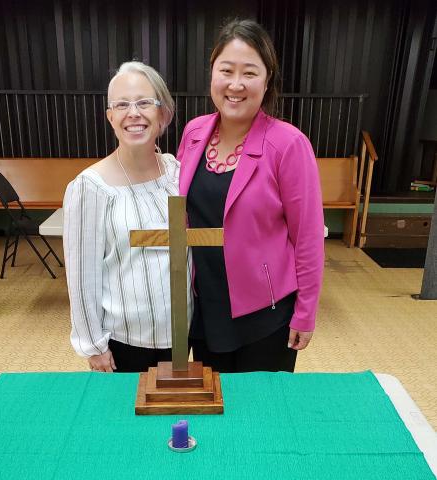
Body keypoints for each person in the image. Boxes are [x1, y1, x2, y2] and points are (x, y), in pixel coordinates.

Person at [177, 19, 324, 373]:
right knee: (215, 408)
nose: (236, 84)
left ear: (267, 79)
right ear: (212, 73)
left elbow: (307, 237)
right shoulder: (194, 132)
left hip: (265, 313)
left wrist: (305, 313)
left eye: (250, 73)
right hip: (203, 307)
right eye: (226, 70)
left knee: (262, 413)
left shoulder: (288, 144)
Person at [63, 61, 192, 373]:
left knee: (172, 415)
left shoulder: (179, 174)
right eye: (121, 104)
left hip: (181, 333)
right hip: (125, 343)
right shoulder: (91, 188)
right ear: (110, 116)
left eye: (145, 102)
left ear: (163, 113)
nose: (133, 113)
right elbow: (82, 278)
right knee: (127, 419)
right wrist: (93, 345)